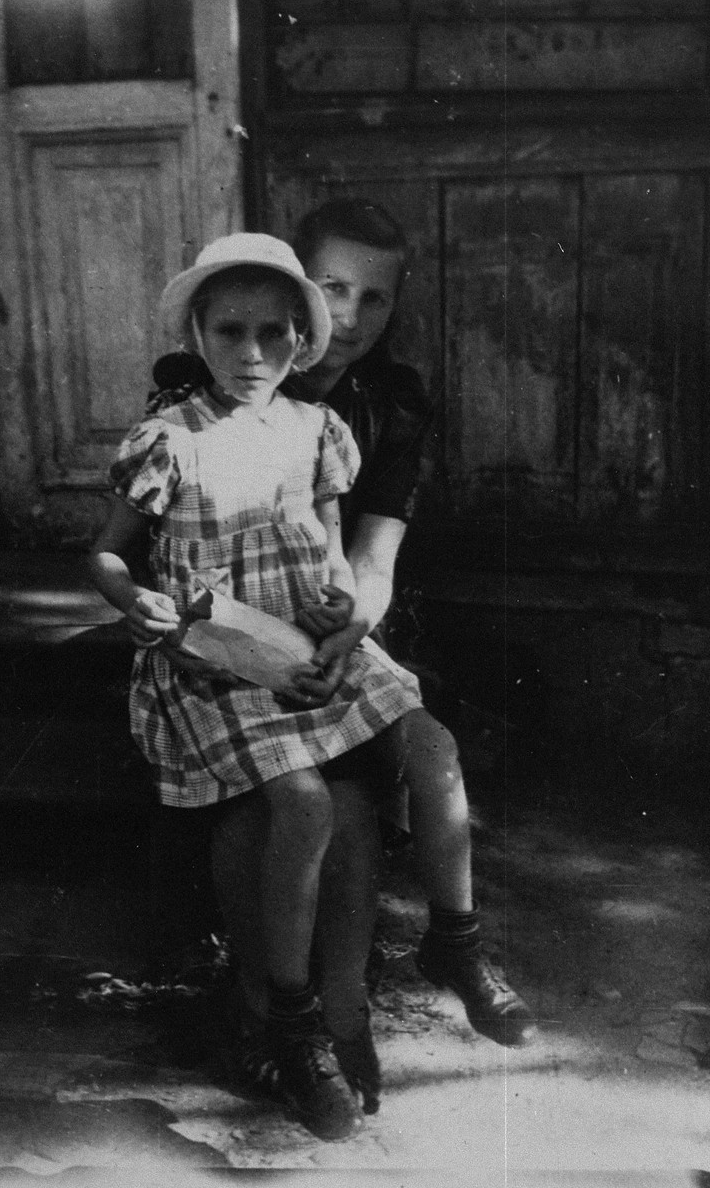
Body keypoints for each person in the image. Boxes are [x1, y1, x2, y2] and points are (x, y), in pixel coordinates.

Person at [136, 201, 534, 1113]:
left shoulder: (386, 405)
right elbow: (166, 541)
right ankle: (269, 1012)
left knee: (356, 804)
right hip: (227, 640)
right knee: (273, 815)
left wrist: (348, 626)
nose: (350, 319)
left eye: (375, 300)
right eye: (333, 289)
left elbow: (374, 558)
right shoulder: (208, 390)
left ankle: (343, 1012)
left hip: (339, 630)